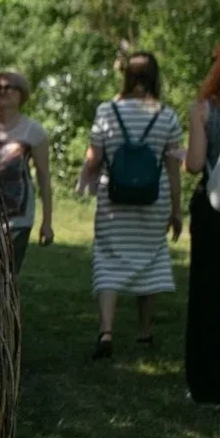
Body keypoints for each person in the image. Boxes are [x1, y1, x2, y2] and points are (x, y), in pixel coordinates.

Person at [81, 53, 183, 360]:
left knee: (108, 258)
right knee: (150, 259)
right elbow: (174, 169)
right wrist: (176, 210)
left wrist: (86, 176)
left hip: (113, 200)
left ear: (126, 76)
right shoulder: (167, 115)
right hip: (154, 200)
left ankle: (106, 331)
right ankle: (145, 331)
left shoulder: (107, 111)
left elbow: (94, 158)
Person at [183, 41, 220, 407]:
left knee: (206, 298)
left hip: (212, 213)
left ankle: (207, 390)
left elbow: (193, 164)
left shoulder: (204, 110)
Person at [0, 71, 53, 273]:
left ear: (22, 94)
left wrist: (47, 223)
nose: (2, 91)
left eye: (8, 87)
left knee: (7, 272)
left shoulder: (33, 131)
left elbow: (44, 178)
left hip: (17, 216)